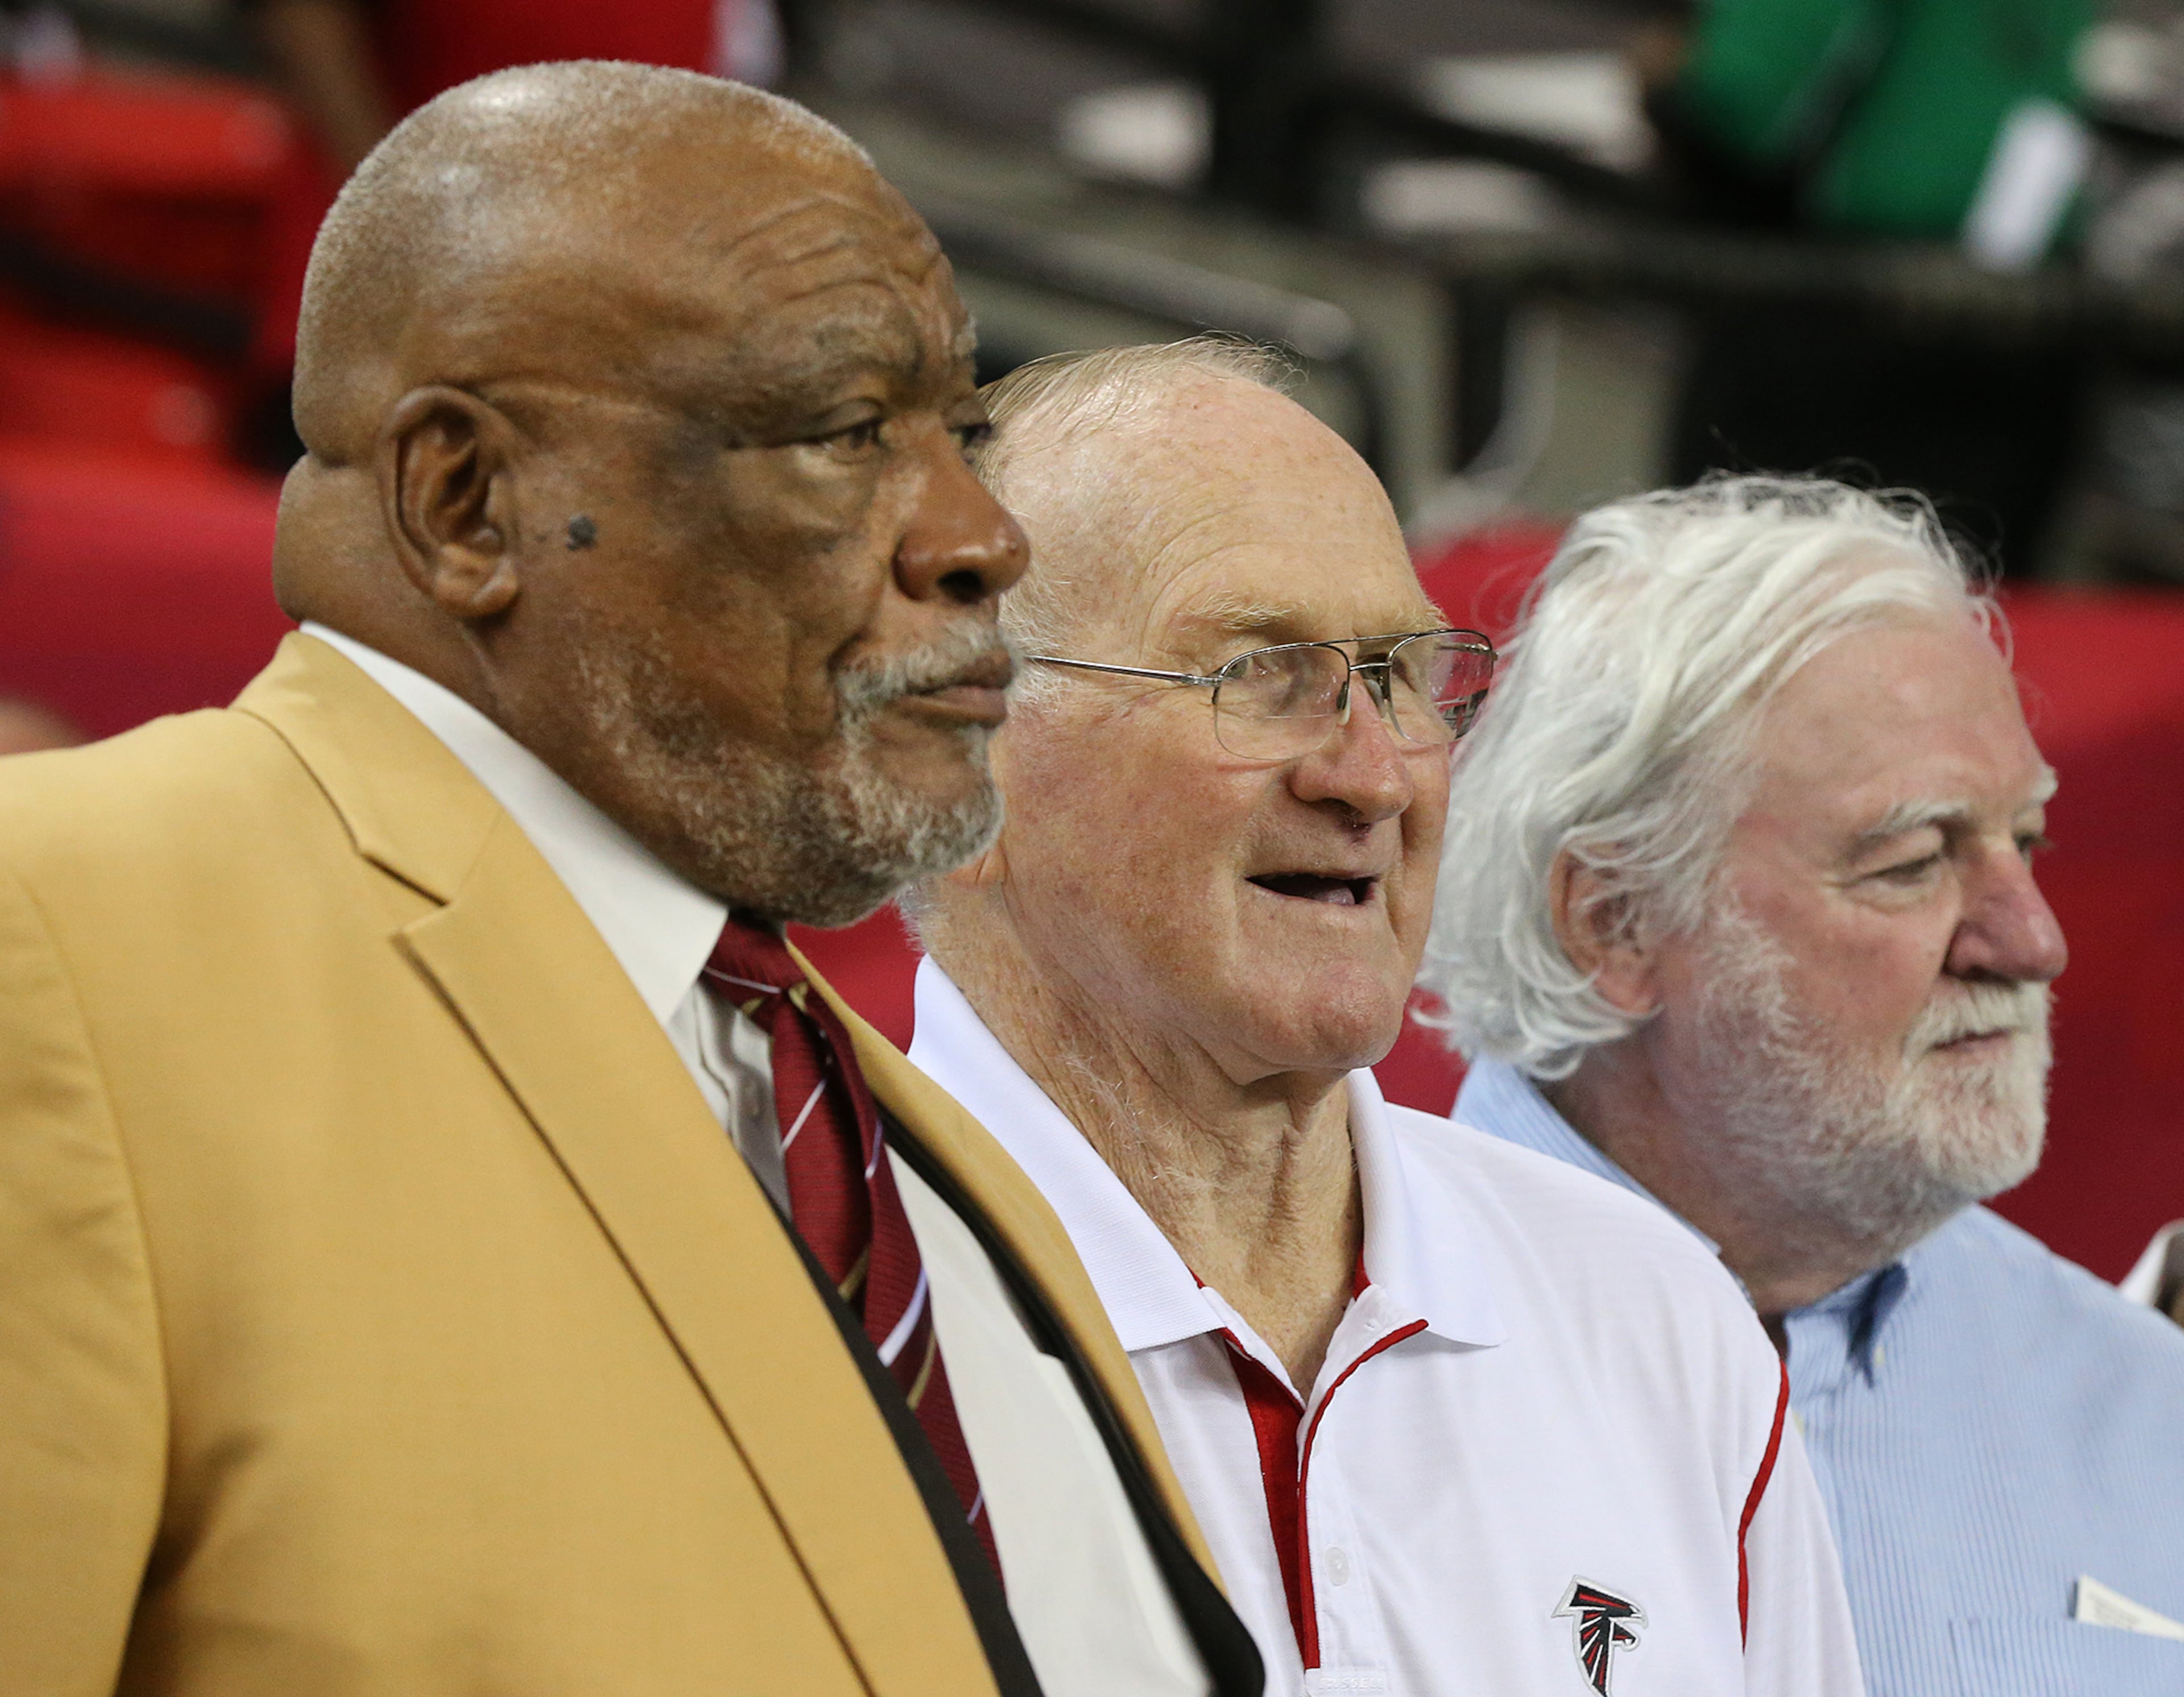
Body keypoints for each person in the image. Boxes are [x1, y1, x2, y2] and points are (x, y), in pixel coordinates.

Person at [0, 66, 1262, 1697]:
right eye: (840, 433)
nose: (980, 535)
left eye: (959, 430)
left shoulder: (930, 1157)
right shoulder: (60, 942)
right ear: (467, 503)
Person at [908, 341, 1866, 1697]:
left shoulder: (1650, 1318)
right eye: (1262, 673)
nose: (1374, 772)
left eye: (1402, 673)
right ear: (961, 763)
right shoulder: (804, 1319)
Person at [1422, 475, 2184, 1695]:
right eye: (1911, 861)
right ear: (1616, 921)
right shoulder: (1314, 1354)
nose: (2031, 938)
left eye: (2023, 842)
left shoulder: (2149, 1413)